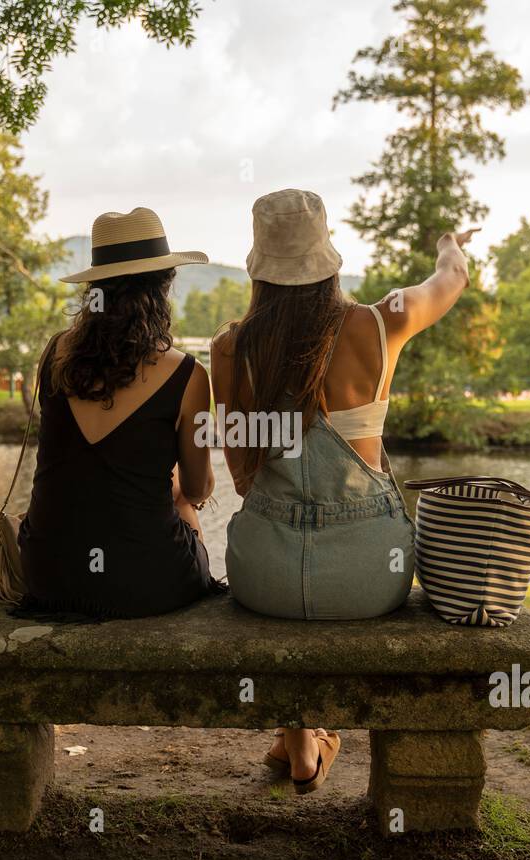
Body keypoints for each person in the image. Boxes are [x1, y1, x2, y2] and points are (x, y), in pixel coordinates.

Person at [210, 188, 475, 792]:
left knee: (283, 556)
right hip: (368, 575)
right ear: (327, 259)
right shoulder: (383, 321)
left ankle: (300, 737)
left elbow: (243, 473)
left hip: (264, 574)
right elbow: (451, 278)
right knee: (322, 572)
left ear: (260, 267)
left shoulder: (230, 347)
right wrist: (449, 243)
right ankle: (307, 738)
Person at [17, 207, 223, 619]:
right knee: (181, 503)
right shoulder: (188, 374)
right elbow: (198, 490)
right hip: (147, 583)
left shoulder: (55, 355)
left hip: (48, 576)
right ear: (163, 286)